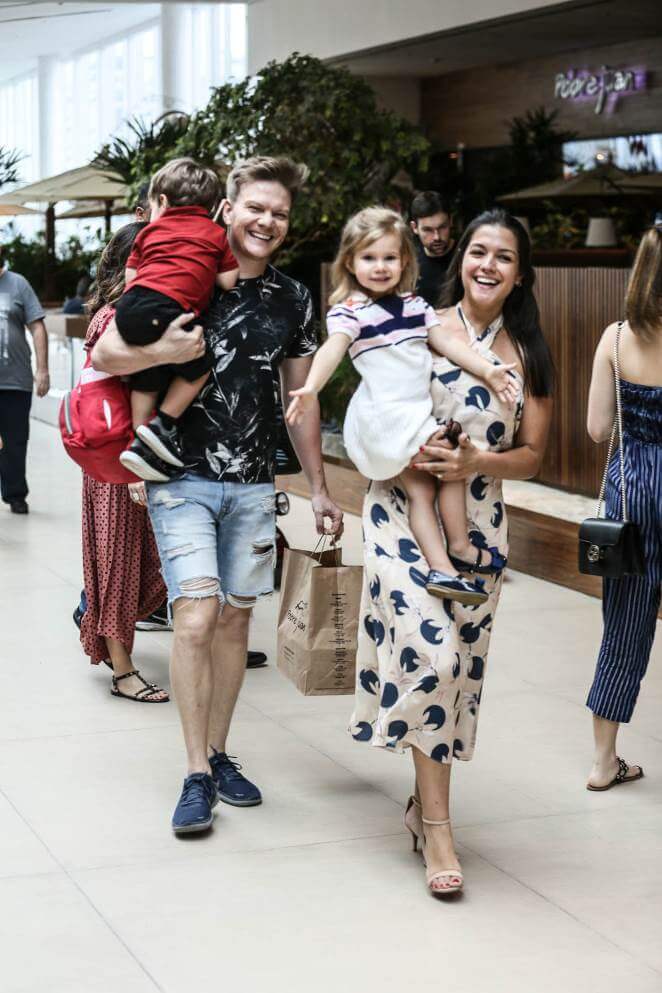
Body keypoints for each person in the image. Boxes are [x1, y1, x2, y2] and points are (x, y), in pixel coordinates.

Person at [92, 156, 343, 835]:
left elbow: (302, 399)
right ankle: (196, 770)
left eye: (280, 213)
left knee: (235, 622)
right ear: (226, 207)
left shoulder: (292, 298)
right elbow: (108, 354)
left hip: (256, 483)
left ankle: (221, 751)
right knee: (196, 618)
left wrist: (319, 486)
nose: (267, 221)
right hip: (182, 480)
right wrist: (157, 363)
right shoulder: (189, 273)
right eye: (256, 207)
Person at [350, 208, 553, 897]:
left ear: (520, 274)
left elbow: (533, 455)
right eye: (478, 251)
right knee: (433, 655)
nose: (488, 264)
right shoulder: (415, 321)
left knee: (454, 675)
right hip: (398, 510)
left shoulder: (528, 353)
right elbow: (369, 405)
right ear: (459, 257)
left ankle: (423, 803)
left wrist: (477, 459)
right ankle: (439, 828)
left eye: (504, 256)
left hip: (481, 522)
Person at [287, 206, 516, 605]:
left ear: (405, 261)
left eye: (389, 257)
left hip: (408, 418)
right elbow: (332, 349)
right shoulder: (351, 313)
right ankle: (458, 549)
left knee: (423, 492)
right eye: (369, 258)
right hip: (387, 417)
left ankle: (442, 569)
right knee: (451, 464)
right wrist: (310, 387)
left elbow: (448, 344)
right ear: (350, 262)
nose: (380, 267)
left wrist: (490, 371)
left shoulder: (414, 307)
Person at [584, 226, 662, 791]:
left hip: (630, 497)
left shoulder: (614, 339)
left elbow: (596, 429)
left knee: (624, 628)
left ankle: (603, 761)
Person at [79, 221, 170, 702]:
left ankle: (96, 619)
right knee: (119, 563)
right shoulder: (113, 317)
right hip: (119, 461)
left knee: (143, 564)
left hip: (135, 457)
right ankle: (123, 670)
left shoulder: (129, 312)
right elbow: (117, 393)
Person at [117, 157, 238, 482]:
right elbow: (228, 281)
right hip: (171, 310)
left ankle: (137, 439)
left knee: (150, 369)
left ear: (162, 201)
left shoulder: (148, 231)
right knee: (199, 365)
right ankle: (162, 425)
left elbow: (130, 277)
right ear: (212, 205)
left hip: (131, 308)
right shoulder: (214, 234)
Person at [0, 244, 49, 514]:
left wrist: (42, 369)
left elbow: (37, 326)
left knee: (15, 441)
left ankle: (15, 493)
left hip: (15, 381)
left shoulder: (18, 284)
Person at [410, 191, 456, 307]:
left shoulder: (467, 256)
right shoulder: (410, 264)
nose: (437, 237)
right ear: (414, 228)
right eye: (428, 230)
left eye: (442, 227)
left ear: (451, 221)